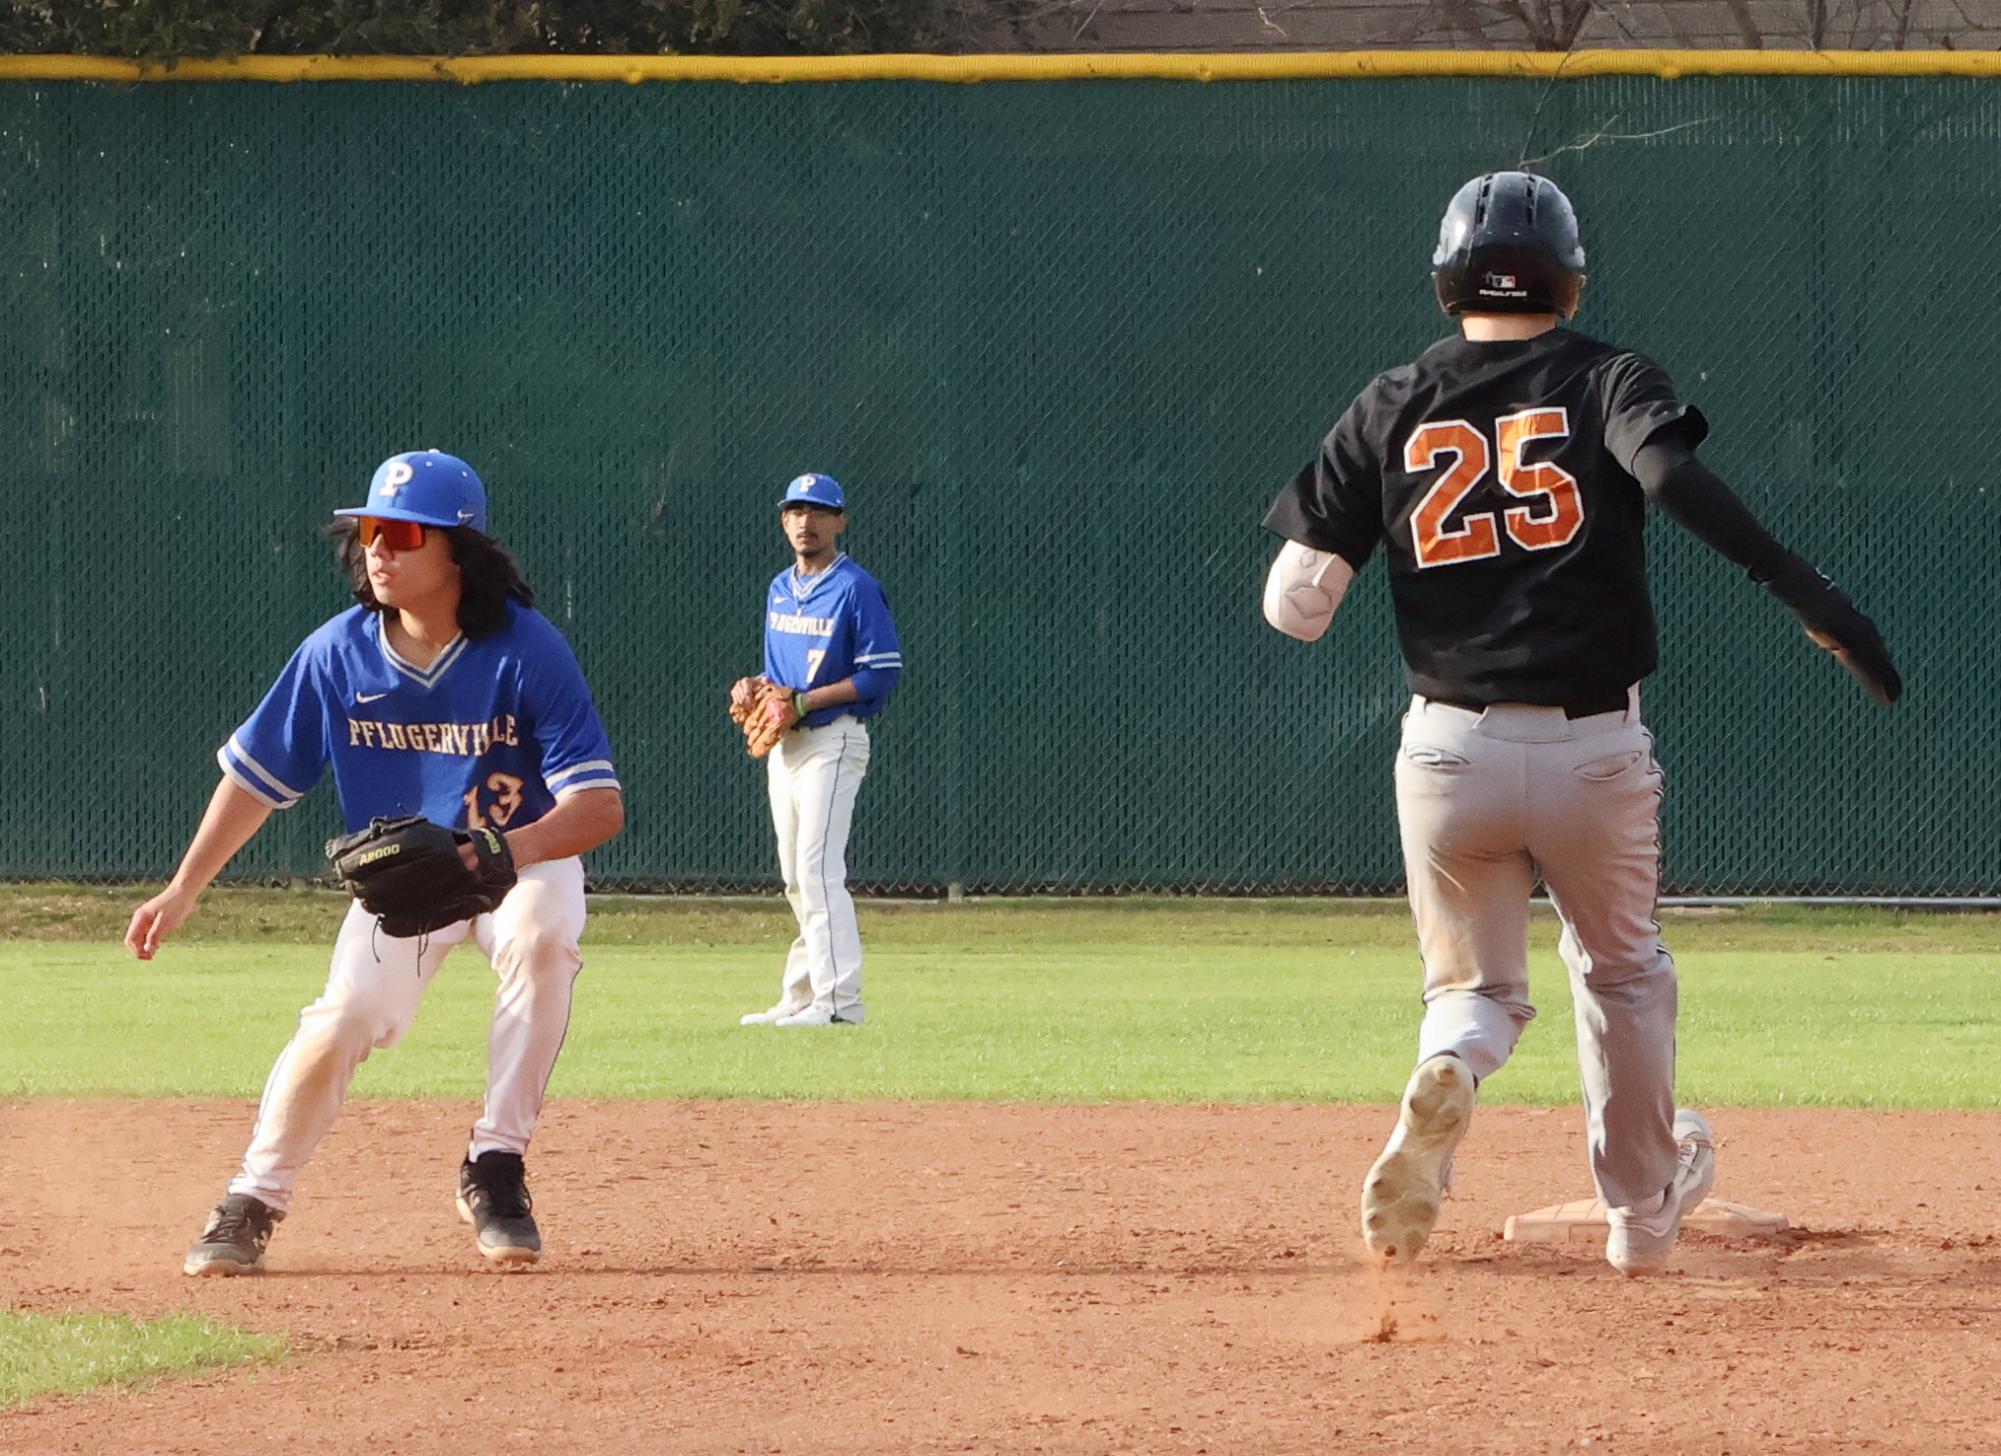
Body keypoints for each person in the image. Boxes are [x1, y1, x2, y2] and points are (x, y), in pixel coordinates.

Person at [1259, 172, 1900, 1276]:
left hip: (1447, 750)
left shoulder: (1392, 398)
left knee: (1473, 991)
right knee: (1620, 973)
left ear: (1447, 276)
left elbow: (1297, 606)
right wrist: (1808, 593)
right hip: (1592, 748)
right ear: (1567, 276)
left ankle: (1452, 1065)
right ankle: (1642, 1215)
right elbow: (1671, 477)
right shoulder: (1605, 375)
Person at [126, 450, 624, 1274]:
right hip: (408, 881)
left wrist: (498, 850)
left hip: (517, 859)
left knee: (541, 936)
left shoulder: (526, 649)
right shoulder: (336, 653)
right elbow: (254, 779)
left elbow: (599, 808)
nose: (379, 550)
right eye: (368, 533)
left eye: (403, 534)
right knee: (344, 1015)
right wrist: (184, 889)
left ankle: (495, 1163)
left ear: (458, 550)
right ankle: (253, 1197)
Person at [731, 473, 902, 1027]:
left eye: (818, 511)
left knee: (818, 869)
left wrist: (805, 701)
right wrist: (754, 687)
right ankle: (802, 994)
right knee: (794, 875)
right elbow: (779, 677)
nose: (806, 522)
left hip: (834, 737)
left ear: (839, 521)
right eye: (796, 512)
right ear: (784, 521)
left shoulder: (856, 587)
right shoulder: (780, 588)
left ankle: (839, 1003)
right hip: (788, 745)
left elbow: (881, 672)